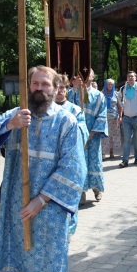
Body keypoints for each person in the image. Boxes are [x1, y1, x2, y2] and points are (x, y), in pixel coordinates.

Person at [0, 65, 87, 272]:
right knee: (13, 261)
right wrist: (9, 125)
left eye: (45, 84)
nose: (39, 88)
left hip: (50, 213)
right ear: (28, 86)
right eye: (35, 83)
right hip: (16, 211)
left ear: (56, 88)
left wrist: (40, 200)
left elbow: (74, 168)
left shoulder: (66, 122)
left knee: (47, 270)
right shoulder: (18, 115)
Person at [54, 73, 88, 233]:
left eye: (63, 87)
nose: (60, 91)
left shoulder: (75, 110)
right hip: (50, 162)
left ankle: (68, 230)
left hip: (68, 160)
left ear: (67, 89)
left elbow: (83, 132)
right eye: (57, 87)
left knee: (67, 198)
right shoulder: (44, 110)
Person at [80, 69, 108, 203]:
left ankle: (96, 189)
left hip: (93, 136)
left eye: (89, 73)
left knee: (94, 163)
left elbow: (102, 116)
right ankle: (81, 192)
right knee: (80, 163)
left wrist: (90, 134)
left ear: (92, 76)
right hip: (77, 137)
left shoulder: (98, 96)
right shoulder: (73, 93)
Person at [101, 78, 121, 159]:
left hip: (114, 118)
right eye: (108, 84)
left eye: (111, 84)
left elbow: (120, 106)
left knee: (112, 135)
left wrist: (120, 116)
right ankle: (103, 153)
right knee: (104, 136)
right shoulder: (102, 94)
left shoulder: (116, 94)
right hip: (104, 118)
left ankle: (111, 152)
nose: (110, 86)